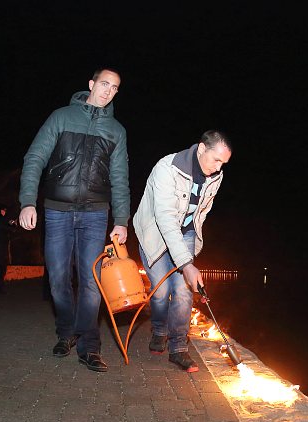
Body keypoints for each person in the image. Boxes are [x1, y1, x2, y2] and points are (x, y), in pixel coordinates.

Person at [18, 68, 130, 373]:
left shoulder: (116, 131)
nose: (108, 91)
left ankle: (88, 345)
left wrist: (121, 220)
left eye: (115, 88)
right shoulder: (61, 117)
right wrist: (28, 202)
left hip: (96, 213)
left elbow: (120, 178)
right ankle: (66, 332)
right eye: (104, 84)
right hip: (57, 210)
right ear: (92, 84)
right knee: (57, 278)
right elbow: (35, 158)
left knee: (92, 281)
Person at [132, 130, 232, 372]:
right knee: (160, 291)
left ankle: (178, 348)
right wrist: (187, 265)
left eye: (224, 163)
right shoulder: (166, 169)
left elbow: (202, 211)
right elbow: (165, 218)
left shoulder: (215, 177)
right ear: (201, 149)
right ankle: (159, 330)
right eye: (216, 160)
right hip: (155, 233)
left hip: (184, 234)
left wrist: (188, 254)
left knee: (183, 291)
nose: (219, 168)